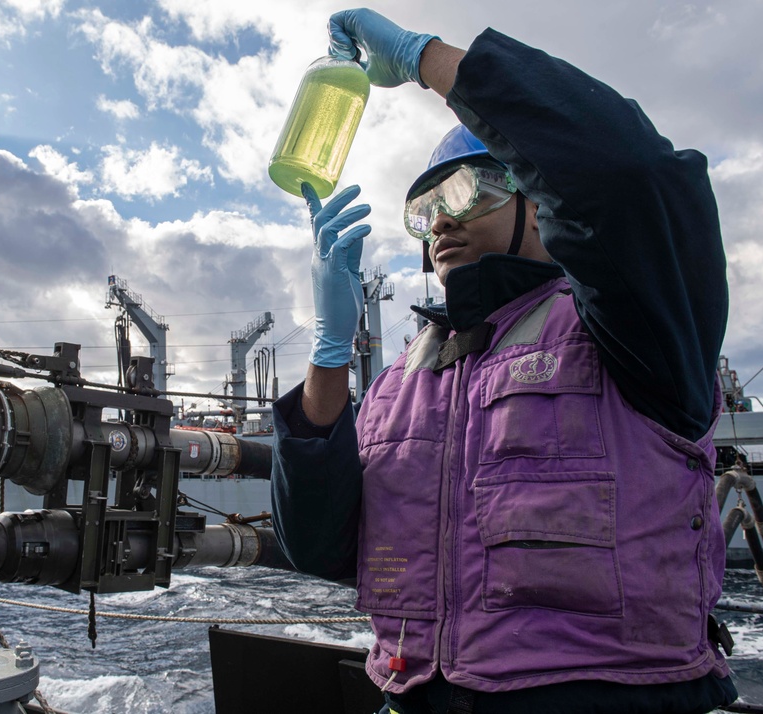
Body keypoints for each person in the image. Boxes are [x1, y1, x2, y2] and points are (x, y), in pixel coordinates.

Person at [270, 8, 738, 714]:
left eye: (465, 191)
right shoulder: (405, 380)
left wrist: (430, 59)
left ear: (540, 200)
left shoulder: (630, 329)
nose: (442, 223)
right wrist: (329, 357)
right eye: (424, 211)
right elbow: (319, 547)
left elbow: (628, 175)